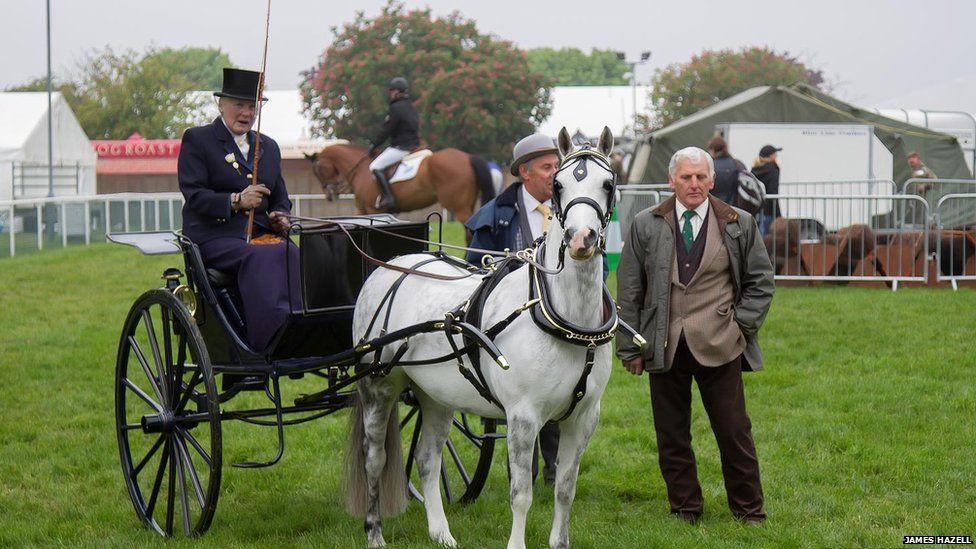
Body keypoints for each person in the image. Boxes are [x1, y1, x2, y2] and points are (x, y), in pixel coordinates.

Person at [615, 146, 774, 526]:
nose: (694, 184)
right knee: (671, 435)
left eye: (701, 177)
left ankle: (749, 510)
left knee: (734, 432)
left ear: (712, 180)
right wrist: (629, 347)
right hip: (662, 344)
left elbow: (761, 283)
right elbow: (630, 288)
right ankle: (685, 508)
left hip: (721, 343)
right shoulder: (645, 223)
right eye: (686, 177)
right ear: (672, 181)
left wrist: (740, 328)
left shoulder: (738, 223)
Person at [178, 67, 300, 352]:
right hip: (213, 237)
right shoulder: (198, 139)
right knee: (257, 256)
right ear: (220, 105)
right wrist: (235, 201)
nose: (246, 113)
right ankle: (267, 339)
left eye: (251, 106)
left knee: (293, 253)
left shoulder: (267, 147)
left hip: (261, 235)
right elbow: (194, 195)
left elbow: (281, 196)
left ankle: (297, 330)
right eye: (239, 105)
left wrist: (281, 216)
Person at [465, 133, 561, 484]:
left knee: (559, 390)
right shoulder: (496, 216)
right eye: (547, 167)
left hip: (559, 322)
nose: (555, 173)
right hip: (512, 329)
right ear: (525, 172)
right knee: (527, 397)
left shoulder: (572, 209)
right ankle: (526, 471)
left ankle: (555, 467)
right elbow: (474, 271)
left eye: (557, 166)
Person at [368, 76, 420, 210]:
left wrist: (374, 145)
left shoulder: (396, 108)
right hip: (414, 145)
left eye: (392, 91)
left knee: (375, 166)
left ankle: (389, 197)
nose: (391, 94)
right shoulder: (410, 106)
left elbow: (387, 130)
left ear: (397, 92)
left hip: (401, 147)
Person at [707, 135, 746, 205]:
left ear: (712, 150)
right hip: (736, 208)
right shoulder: (738, 164)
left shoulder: (709, 166)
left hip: (714, 207)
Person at [752, 145, 782, 235]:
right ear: (770, 156)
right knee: (770, 239)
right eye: (774, 154)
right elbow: (773, 192)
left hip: (757, 210)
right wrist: (778, 215)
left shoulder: (754, 169)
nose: (776, 156)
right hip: (769, 210)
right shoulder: (773, 170)